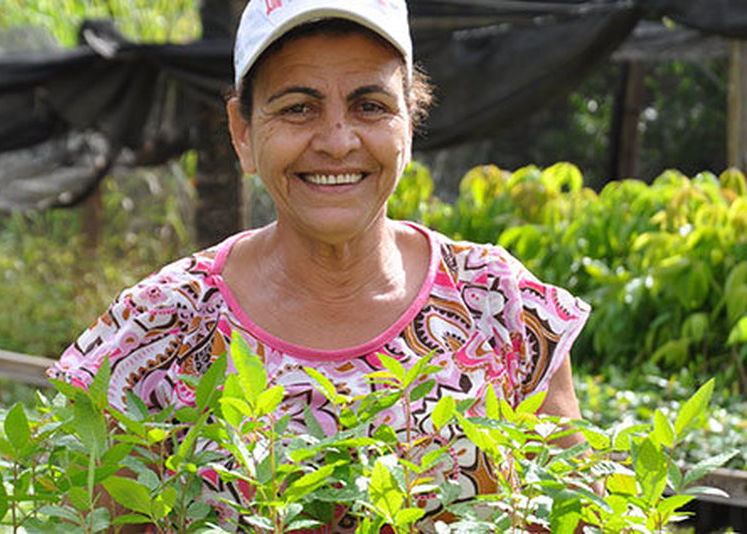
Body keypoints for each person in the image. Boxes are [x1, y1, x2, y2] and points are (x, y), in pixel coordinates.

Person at [48, 0, 591, 530]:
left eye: (370, 105)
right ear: (242, 131)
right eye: (298, 107)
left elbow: (579, 514)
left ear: (410, 118)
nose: (337, 141)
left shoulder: (499, 302)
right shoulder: (160, 323)